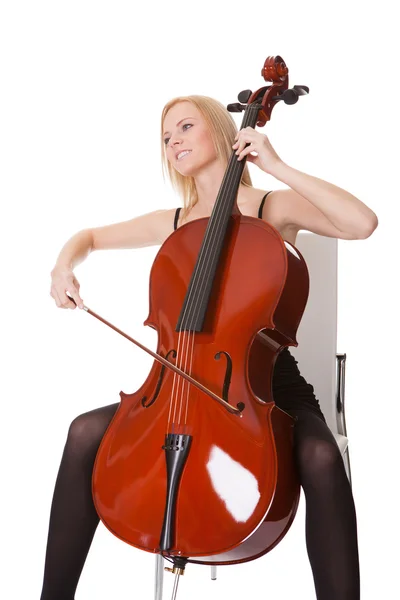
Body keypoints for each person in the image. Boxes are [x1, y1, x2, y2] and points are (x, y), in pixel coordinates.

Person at [42, 95, 378, 600]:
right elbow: (88, 237)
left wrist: (278, 167)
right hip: (177, 384)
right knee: (84, 431)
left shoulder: (270, 206)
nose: (172, 140)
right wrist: (63, 266)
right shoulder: (174, 221)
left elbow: (362, 223)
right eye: (165, 136)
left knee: (320, 456)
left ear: (221, 131)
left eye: (184, 126)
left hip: (266, 386)